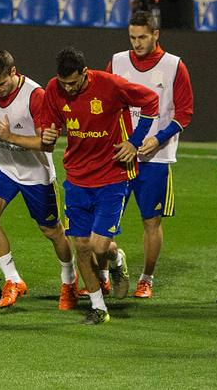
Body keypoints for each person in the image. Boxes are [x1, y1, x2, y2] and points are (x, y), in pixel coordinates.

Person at [33, 46, 159, 324]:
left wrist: (134, 142)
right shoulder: (54, 88)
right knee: (81, 244)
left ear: (85, 74)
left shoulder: (110, 84)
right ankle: (99, 307)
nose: (68, 88)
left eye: (73, 83)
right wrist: (49, 131)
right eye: (64, 83)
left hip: (112, 175)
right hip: (77, 177)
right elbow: (47, 125)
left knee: (100, 246)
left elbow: (151, 101)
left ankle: (115, 260)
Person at [0, 48, 78, 310]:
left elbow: (46, 145)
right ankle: (13, 280)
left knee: (52, 231)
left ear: (14, 72)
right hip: (4, 166)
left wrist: (9, 137)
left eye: (1, 83)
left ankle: (69, 281)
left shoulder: (36, 96)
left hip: (36, 172)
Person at [107, 11, 194, 298]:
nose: (137, 43)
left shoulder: (174, 66)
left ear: (156, 34)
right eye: (132, 37)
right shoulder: (117, 62)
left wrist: (158, 138)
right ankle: (106, 274)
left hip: (155, 158)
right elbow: (105, 103)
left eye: (142, 37)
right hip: (120, 156)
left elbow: (184, 113)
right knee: (105, 218)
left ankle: (147, 278)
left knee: (151, 221)